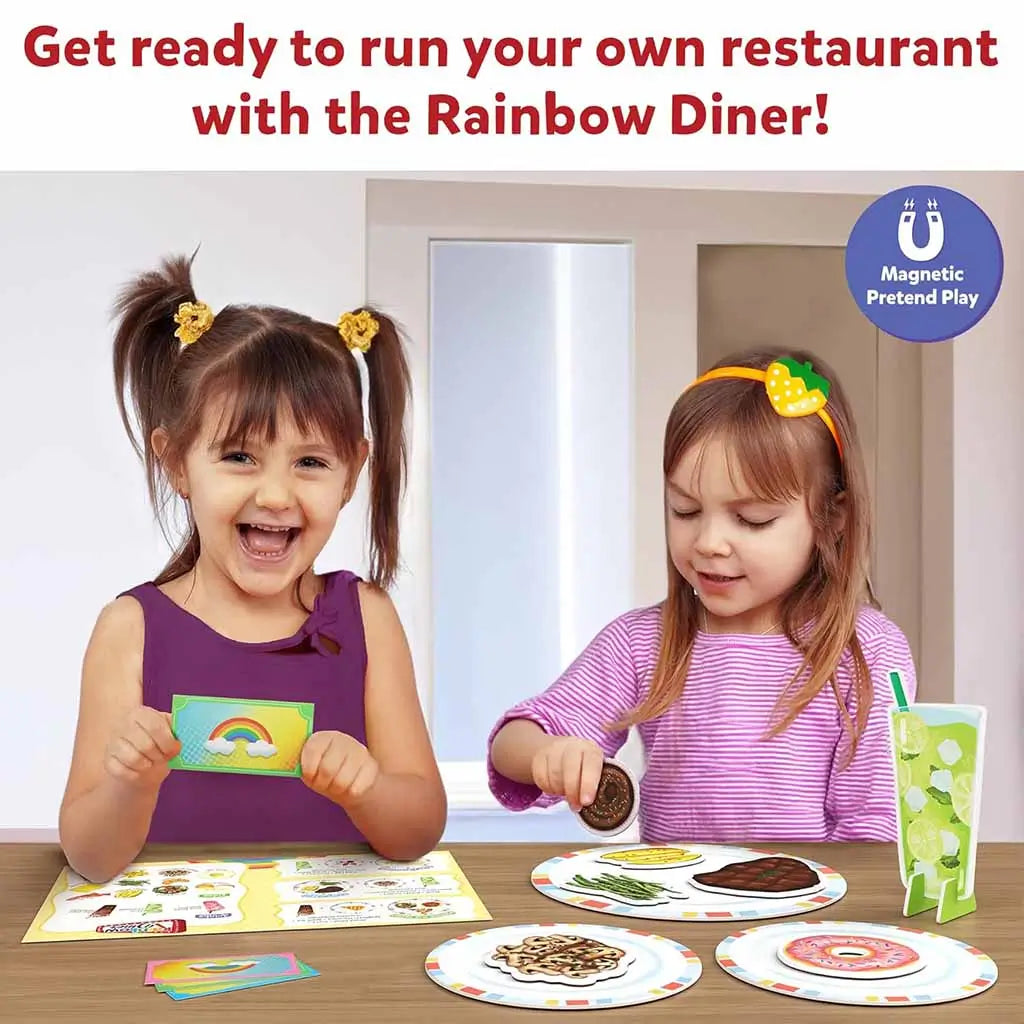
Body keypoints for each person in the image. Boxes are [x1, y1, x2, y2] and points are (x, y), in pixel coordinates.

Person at [59, 253, 446, 882]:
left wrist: (369, 789)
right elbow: (88, 855)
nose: (274, 495)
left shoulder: (366, 617)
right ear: (176, 462)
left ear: (352, 472)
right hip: (176, 933)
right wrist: (131, 785)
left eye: (310, 463)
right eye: (240, 457)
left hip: (334, 930)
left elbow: (420, 827)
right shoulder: (129, 628)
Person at [488, 347, 916, 844]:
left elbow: (877, 826)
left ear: (831, 517)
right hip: (671, 893)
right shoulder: (642, 642)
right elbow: (513, 742)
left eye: (752, 519)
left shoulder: (867, 652)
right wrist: (547, 754)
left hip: (809, 894)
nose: (709, 543)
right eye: (685, 511)